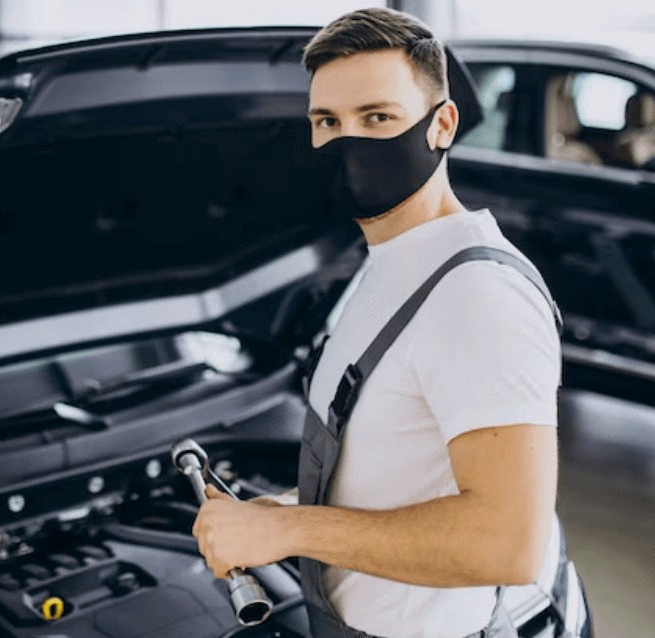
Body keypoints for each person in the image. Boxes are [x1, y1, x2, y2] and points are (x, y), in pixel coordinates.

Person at [192, 7, 562, 638]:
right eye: (327, 122)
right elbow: (396, 462)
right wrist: (274, 512)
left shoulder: (474, 295)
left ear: (442, 124)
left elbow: (508, 543)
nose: (349, 142)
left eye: (378, 117)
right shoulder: (393, 262)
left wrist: (287, 529)